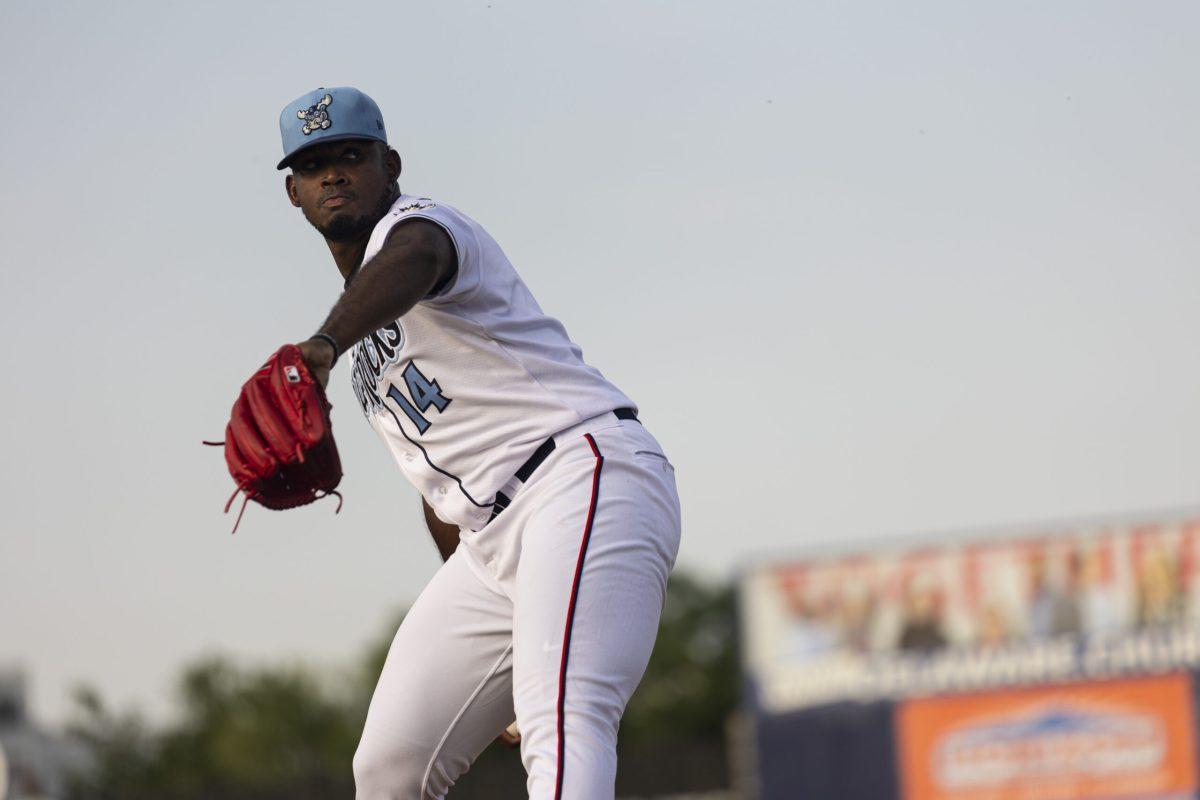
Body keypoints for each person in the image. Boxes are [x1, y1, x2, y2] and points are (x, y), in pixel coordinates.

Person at [273, 87, 682, 799]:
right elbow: (439, 489)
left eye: (349, 154)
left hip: (579, 478)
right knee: (390, 767)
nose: (333, 174)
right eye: (313, 165)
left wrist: (323, 346)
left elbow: (416, 258)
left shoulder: (423, 229)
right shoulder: (366, 347)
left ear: (389, 164)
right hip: (490, 543)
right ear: (294, 193)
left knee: (563, 720)